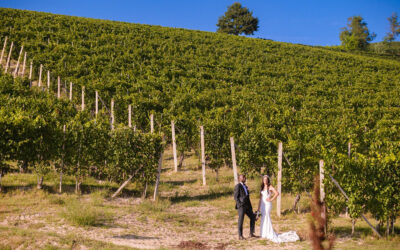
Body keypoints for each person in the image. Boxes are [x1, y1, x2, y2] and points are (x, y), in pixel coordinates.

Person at [257, 175, 300, 243]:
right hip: (262, 205)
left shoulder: (270, 187)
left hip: (268, 205)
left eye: (266, 179)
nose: (265, 181)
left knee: (267, 217)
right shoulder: (262, 188)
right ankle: (263, 233)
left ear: (268, 180)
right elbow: (260, 199)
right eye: (264, 179)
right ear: (262, 180)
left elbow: (277, 193)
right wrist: (258, 209)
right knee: (263, 218)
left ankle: (269, 233)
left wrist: (271, 199)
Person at [234, 174, 256, 240]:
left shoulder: (245, 186)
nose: (245, 178)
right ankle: (240, 236)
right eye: (243, 177)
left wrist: (250, 206)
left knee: (252, 217)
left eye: (245, 177)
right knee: (241, 220)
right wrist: (240, 204)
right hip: (241, 206)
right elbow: (235, 197)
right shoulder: (238, 186)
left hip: (247, 206)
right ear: (239, 179)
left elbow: (247, 197)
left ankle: (251, 233)